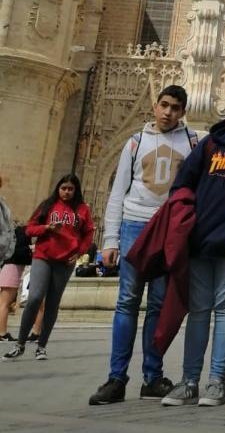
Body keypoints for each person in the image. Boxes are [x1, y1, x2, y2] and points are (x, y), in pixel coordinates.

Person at [88, 85, 198, 405]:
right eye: (164, 105)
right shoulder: (135, 142)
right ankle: (116, 378)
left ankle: (152, 376)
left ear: (183, 111)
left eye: (175, 107)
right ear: (154, 105)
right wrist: (110, 239)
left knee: (159, 305)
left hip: (170, 229)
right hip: (135, 225)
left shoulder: (192, 141)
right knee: (127, 302)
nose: (168, 112)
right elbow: (118, 191)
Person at [162, 87, 225, 407]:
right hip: (201, 240)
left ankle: (217, 380)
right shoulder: (210, 144)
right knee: (199, 311)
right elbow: (182, 184)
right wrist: (184, 219)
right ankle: (190, 380)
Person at [4, 174, 94, 361]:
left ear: (76, 190)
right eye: (63, 188)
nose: (67, 192)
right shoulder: (47, 205)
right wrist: (47, 227)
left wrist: (79, 252)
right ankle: (20, 343)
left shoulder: (83, 209)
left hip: (65, 261)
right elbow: (29, 229)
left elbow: (88, 234)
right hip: (43, 256)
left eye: (70, 189)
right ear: (58, 188)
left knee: (53, 303)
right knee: (35, 297)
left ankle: (41, 346)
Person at [0, 223, 31, 341]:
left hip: (8, 268)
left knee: (3, 303)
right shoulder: (20, 239)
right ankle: (2, 333)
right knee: (5, 304)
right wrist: (29, 249)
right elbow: (20, 252)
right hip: (12, 270)